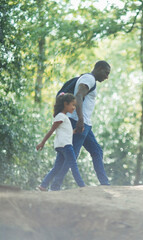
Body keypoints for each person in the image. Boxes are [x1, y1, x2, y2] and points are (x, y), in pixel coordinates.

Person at [49, 61, 111, 191]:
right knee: (70, 155)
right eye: (106, 73)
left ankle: (105, 183)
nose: (107, 77)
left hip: (84, 124)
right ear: (99, 68)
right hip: (79, 122)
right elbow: (78, 95)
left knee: (96, 151)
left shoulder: (88, 78)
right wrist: (80, 120)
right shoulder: (89, 79)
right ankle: (54, 187)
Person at [37, 93, 85, 191]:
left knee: (57, 167)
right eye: (73, 105)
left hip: (61, 146)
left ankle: (43, 185)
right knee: (73, 165)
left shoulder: (63, 117)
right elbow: (51, 130)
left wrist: (76, 131)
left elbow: (67, 132)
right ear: (65, 104)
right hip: (66, 146)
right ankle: (82, 185)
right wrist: (42, 142)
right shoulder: (61, 116)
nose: (74, 107)